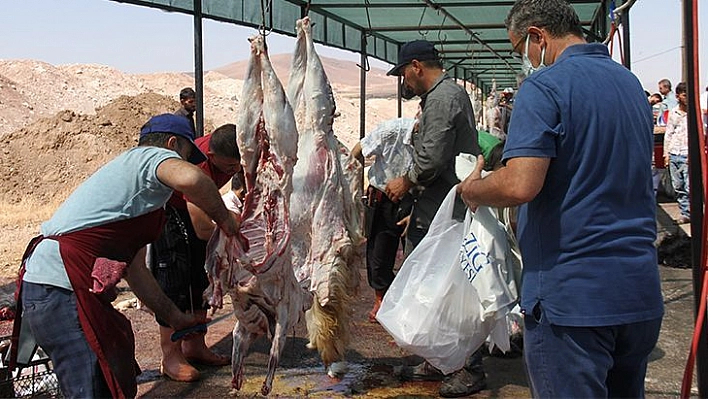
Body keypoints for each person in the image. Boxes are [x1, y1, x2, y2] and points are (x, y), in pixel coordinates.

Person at [458, 1, 664, 397]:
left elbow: (520, 184)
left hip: (574, 298)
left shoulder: (544, 87)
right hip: (638, 291)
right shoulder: (630, 85)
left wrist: (474, 189)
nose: (524, 60)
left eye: (520, 49)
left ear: (537, 36)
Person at [10, 113, 240, 398]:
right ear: (171, 145)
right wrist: (227, 221)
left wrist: (174, 316)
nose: (186, 163)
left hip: (53, 287)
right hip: (59, 287)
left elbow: (137, 271)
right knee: (91, 386)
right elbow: (195, 179)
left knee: (108, 375)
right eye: (183, 155)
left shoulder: (137, 196)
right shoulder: (147, 158)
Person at [385, 39, 483, 398]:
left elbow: (430, 159)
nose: (404, 84)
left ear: (415, 66)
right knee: (428, 286)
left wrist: (404, 181)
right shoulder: (441, 97)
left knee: (449, 288)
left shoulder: (443, 98)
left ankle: (470, 368)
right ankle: (436, 359)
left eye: (404, 76)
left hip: (448, 210)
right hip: (434, 207)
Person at [150, 123, 243, 382]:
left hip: (198, 205)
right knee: (175, 279)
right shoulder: (199, 166)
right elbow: (203, 229)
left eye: (238, 167)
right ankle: (171, 356)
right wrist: (233, 226)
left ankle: (195, 346)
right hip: (169, 209)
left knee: (201, 276)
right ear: (213, 158)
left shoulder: (234, 158)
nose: (234, 172)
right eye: (230, 168)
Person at [350, 117, 417, 323]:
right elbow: (358, 150)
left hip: (415, 199)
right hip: (382, 198)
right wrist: (352, 187)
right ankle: (381, 299)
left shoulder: (434, 140)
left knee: (416, 254)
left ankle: (411, 305)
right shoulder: (391, 130)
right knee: (378, 256)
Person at [664, 82, 690, 224]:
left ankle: (692, 212)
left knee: (689, 186)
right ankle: (685, 213)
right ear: (678, 96)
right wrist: (666, 154)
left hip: (688, 154)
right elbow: (669, 134)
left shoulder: (696, 112)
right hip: (675, 153)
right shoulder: (674, 113)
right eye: (685, 95)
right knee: (678, 186)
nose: (687, 98)